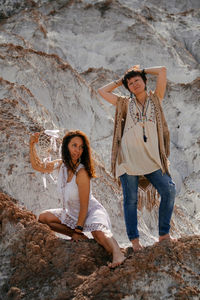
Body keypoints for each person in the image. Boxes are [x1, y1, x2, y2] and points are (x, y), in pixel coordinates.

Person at [98, 65, 176, 251]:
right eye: (130, 83)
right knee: (130, 200)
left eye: (137, 81)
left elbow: (163, 70)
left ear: (144, 81)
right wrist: (121, 79)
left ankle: (164, 234)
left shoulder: (156, 99)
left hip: (152, 159)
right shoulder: (125, 103)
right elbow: (102, 91)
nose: (134, 85)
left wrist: (142, 70)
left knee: (169, 190)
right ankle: (135, 241)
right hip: (128, 160)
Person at [29, 130, 125, 268]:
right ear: (66, 146)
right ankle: (83, 239)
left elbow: (85, 206)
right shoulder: (61, 165)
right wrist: (32, 145)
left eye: (81, 147)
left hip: (91, 211)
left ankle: (118, 254)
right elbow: (38, 166)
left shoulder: (82, 173)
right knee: (44, 218)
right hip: (72, 212)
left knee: (98, 233)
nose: (77, 150)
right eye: (74, 145)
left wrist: (77, 231)